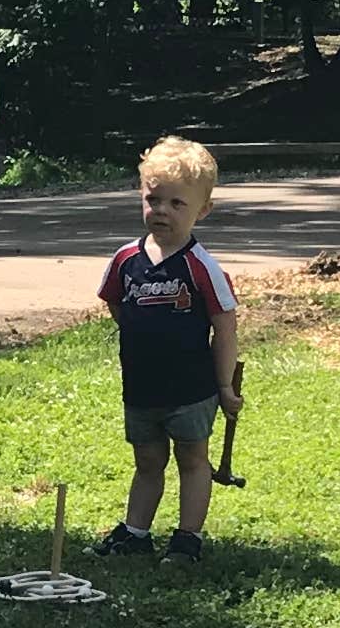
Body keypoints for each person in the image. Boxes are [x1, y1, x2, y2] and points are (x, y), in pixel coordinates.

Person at [97, 137, 244, 564]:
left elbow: (225, 325)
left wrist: (224, 384)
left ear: (202, 210)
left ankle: (187, 539)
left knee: (193, 459)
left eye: (177, 204)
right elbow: (114, 301)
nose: (161, 210)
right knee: (147, 459)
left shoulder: (202, 266)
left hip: (192, 388)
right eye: (153, 199)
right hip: (141, 386)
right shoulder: (126, 259)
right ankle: (136, 532)